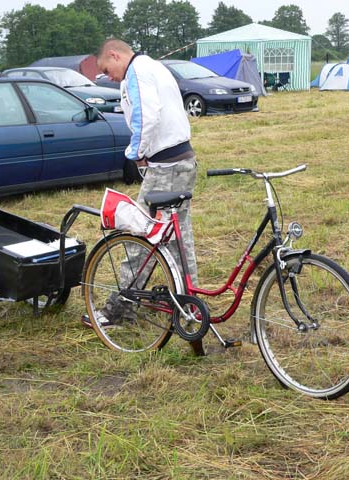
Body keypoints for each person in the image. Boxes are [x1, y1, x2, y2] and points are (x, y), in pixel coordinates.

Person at [86, 39, 203, 354]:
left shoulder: (136, 72)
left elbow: (145, 117)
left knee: (141, 236)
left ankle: (119, 308)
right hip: (183, 160)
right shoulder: (154, 66)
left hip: (165, 166)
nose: (110, 77)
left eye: (107, 70)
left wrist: (134, 154)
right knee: (179, 238)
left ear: (114, 54)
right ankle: (189, 303)